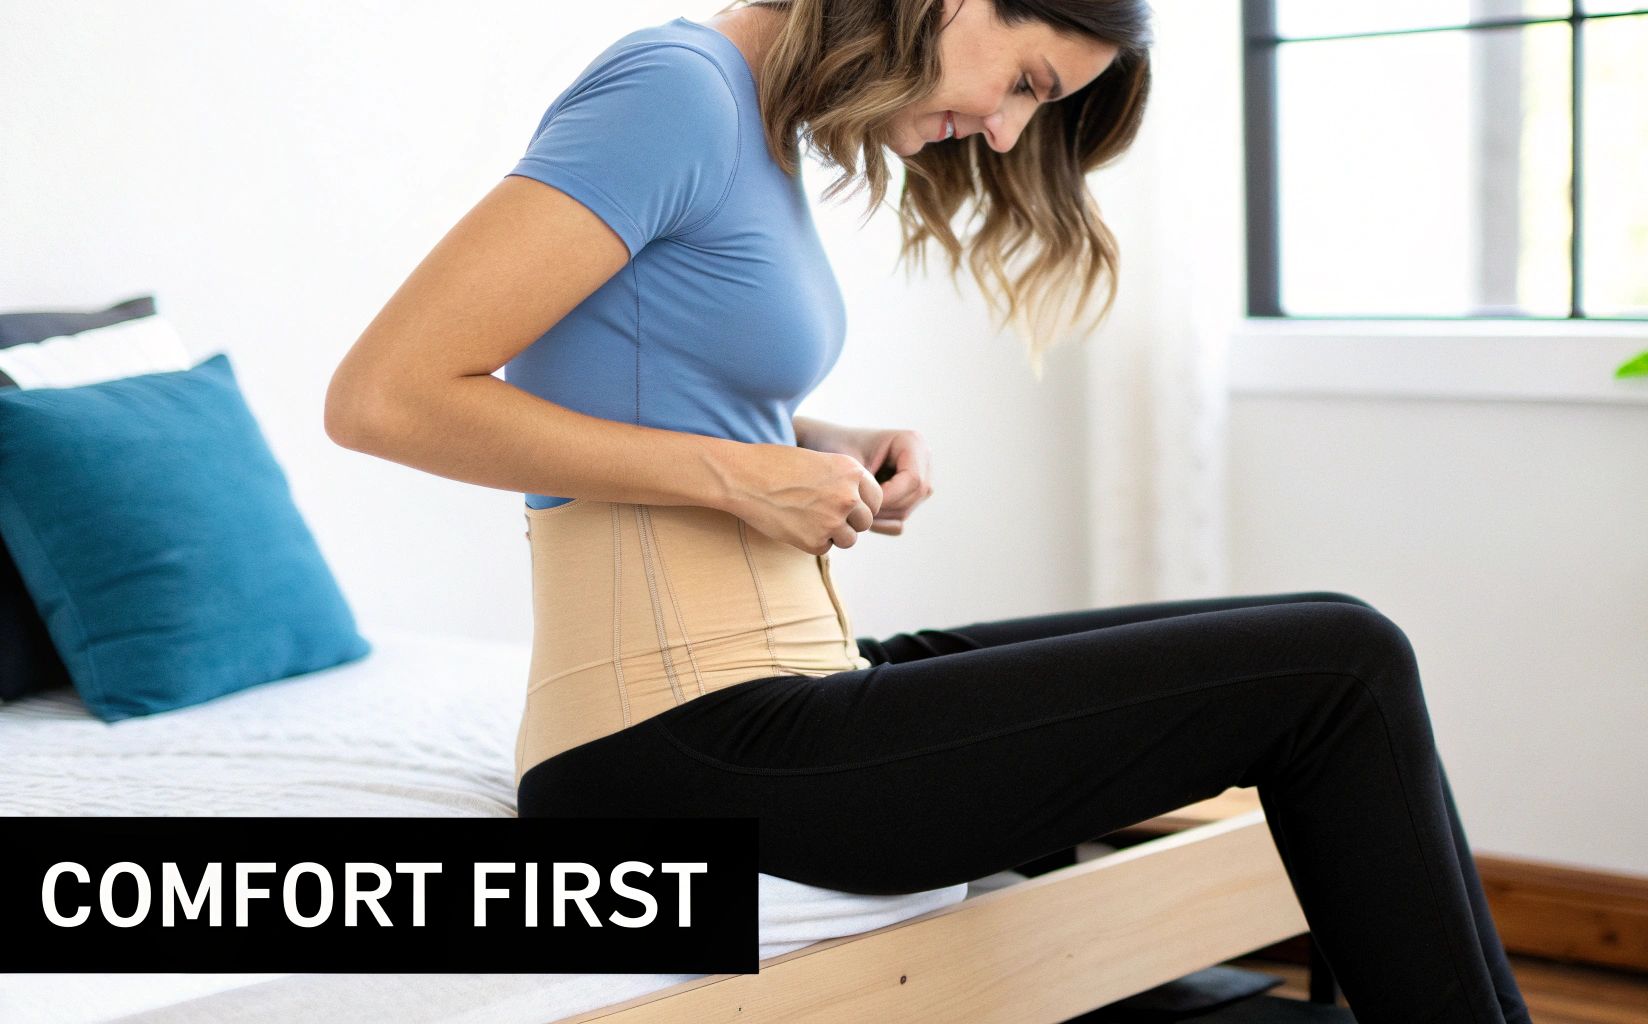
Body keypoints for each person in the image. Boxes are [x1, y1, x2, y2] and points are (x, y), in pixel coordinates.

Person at [324, 1, 1533, 1020]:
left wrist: (809, 439)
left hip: (774, 688)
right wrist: (739, 475)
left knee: (1327, 628)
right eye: (1024, 80)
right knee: (1340, 663)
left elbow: (616, 366)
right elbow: (385, 396)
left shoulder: (755, 118)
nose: (1006, 133)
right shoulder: (674, 90)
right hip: (666, 745)